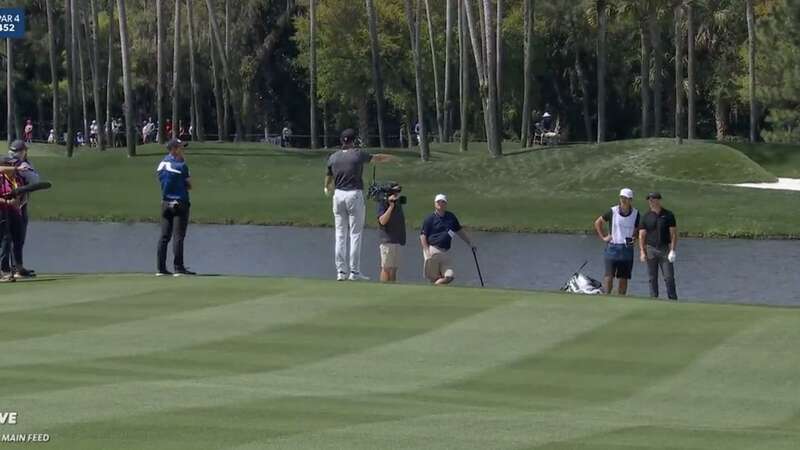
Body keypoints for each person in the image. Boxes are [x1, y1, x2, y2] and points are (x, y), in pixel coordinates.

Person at [324, 128, 394, 281]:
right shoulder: (357, 154)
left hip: (338, 195)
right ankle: (354, 272)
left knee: (340, 234)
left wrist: (326, 187)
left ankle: (341, 272)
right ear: (353, 141)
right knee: (355, 234)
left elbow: (328, 177)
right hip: (353, 195)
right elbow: (377, 159)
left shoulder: (333, 157)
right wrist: (392, 158)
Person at [155, 138, 195, 276]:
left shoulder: (161, 165)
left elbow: (161, 181)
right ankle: (178, 268)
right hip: (180, 202)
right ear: (173, 149)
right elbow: (190, 185)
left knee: (164, 236)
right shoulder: (181, 165)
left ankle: (161, 269)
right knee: (178, 236)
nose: (182, 150)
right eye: (179, 148)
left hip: (165, 202)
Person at [420, 194, 476, 285]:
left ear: (446, 204)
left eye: (443, 202)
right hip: (433, 251)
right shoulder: (429, 218)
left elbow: (459, 231)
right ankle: (435, 294)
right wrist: (426, 251)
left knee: (449, 276)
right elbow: (423, 236)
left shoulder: (451, 217)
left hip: (446, 252)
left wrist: (470, 243)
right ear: (435, 204)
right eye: (438, 202)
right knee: (434, 277)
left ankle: (434, 287)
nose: (440, 204)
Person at [1, 141, 38, 279]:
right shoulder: (6, 164)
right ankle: (5, 269)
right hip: (5, 207)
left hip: (20, 206)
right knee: (5, 238)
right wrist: (15, 168)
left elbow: (35, 180)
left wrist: (22, 169)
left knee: (19, 237)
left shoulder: (25, 164)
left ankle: (18, 267)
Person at [594, 188, 640, 295]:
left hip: (627, 249)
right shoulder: (612, 211)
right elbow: (598, 222)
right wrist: (604, 237)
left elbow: (638, 229)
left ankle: (621, 299)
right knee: (609, 276)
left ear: (630, 200)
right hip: (613, 248)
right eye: (622, 198)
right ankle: (606, 297)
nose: (623, 200)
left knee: (623, 277)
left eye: (626, 198)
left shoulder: (636, 213)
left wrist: (635, 237)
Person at [639, 192, 678, 300]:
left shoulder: (668, 215)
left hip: (665, 249)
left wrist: (673, 250)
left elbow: (673, 234)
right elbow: (642, 235)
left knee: (668, 277)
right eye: (649, 200)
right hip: (650, 249)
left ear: (658, 200)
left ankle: (673, 299)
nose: (650, 202)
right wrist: (642, 251)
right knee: (652, 277)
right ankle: (654, 300)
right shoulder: (646, 216)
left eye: (652, 199)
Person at [377, 188, 406, 282]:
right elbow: (382, 221)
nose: (397, 194)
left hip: (397, 240)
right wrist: (391, 207)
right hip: (387, 241)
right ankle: (383, 289)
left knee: (394, 269)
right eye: (395, 192)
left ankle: (392, 288)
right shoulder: (383, 204)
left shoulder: (398, 204)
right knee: (386, 268)